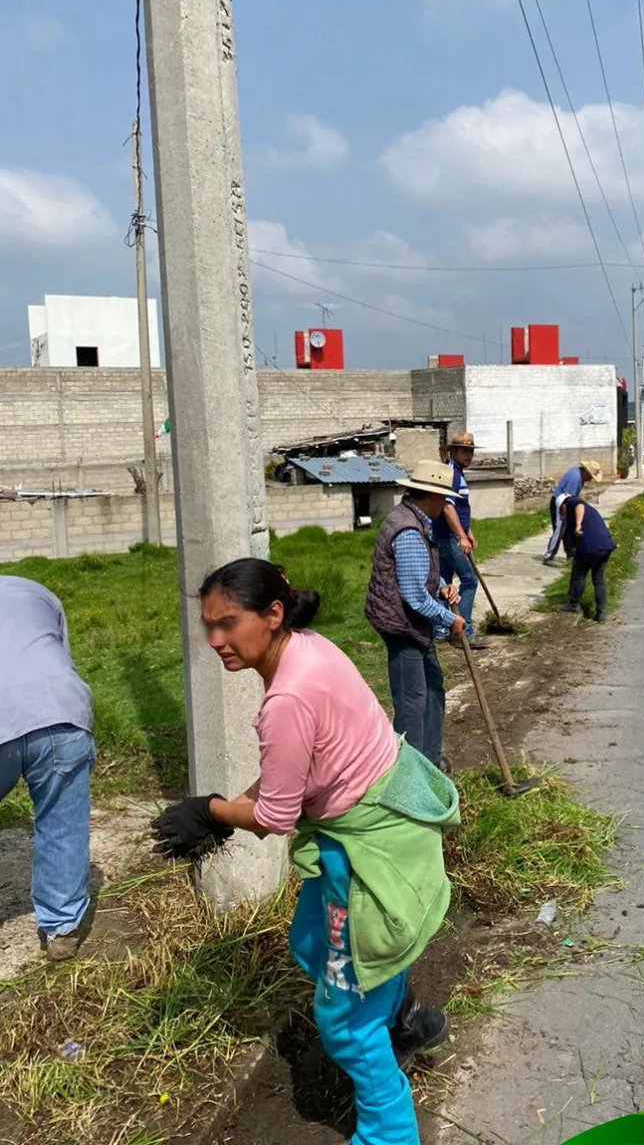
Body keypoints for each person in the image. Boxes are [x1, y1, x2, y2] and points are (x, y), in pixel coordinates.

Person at [151, 558, 459, 1145]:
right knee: (314, 941)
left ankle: (389, 1133)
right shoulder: (310, 648)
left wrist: (212, 810)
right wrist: (220, 807)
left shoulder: (287, 697)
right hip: (390, 820)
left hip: (364, 854)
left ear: (271, 614)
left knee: (342, 1023)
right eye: (208, 626)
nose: (216, 640)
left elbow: (274, 814)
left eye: (228, 624)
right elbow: (286, 777)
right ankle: (404, 1020)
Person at [0, 576, 96, 962]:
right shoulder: (37, 592)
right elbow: (58, 655)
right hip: (61, 710)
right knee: (61, 823)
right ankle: (62, 930)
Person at [365, 460, 465, 772]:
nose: (446, 504)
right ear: (432, 496)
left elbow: (422, 577)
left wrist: (445, 588)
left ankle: (430, 761)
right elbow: (414, 596)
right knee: (412, 701)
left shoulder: (417, 520)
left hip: (413, 623)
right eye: (445, 498)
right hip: (402, 625)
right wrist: (452, 620)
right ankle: (407, 775)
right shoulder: (408, 529)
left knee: (433, 687)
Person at [433, 432, 488, 652]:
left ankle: (441, 630)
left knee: (445, 582)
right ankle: (463, 631)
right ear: (453, 451)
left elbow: (460, 508)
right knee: (469, 580)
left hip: (448, 536)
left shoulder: (454, 471)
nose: (469, 455)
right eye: (464, 451)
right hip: (449, 537)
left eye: (471, 451)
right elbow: (447, 507)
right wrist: (462, 536)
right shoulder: (452, 473)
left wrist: (468, 530)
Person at [560, 495, 616, 622]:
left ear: (563, 505)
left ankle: (574, 604)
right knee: (598, 579)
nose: (562, 515)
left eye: (561, 511)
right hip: (606, 545)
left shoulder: (572, 503)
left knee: (579, 573)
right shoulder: (592, 512)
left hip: (591, 546)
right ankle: (601, 613)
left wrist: (578, 525)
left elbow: (580, 506)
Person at [543, 460, 602, 564]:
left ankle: (571, 554)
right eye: (590, 476)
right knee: (560, 530)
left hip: (567, 503)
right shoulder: (575, 478)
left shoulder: (576, 472)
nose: (590, 480)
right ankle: (549, 556)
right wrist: (565, 515)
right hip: (561, 504)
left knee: (569, 530)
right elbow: (566, 498)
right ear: (586, 472)